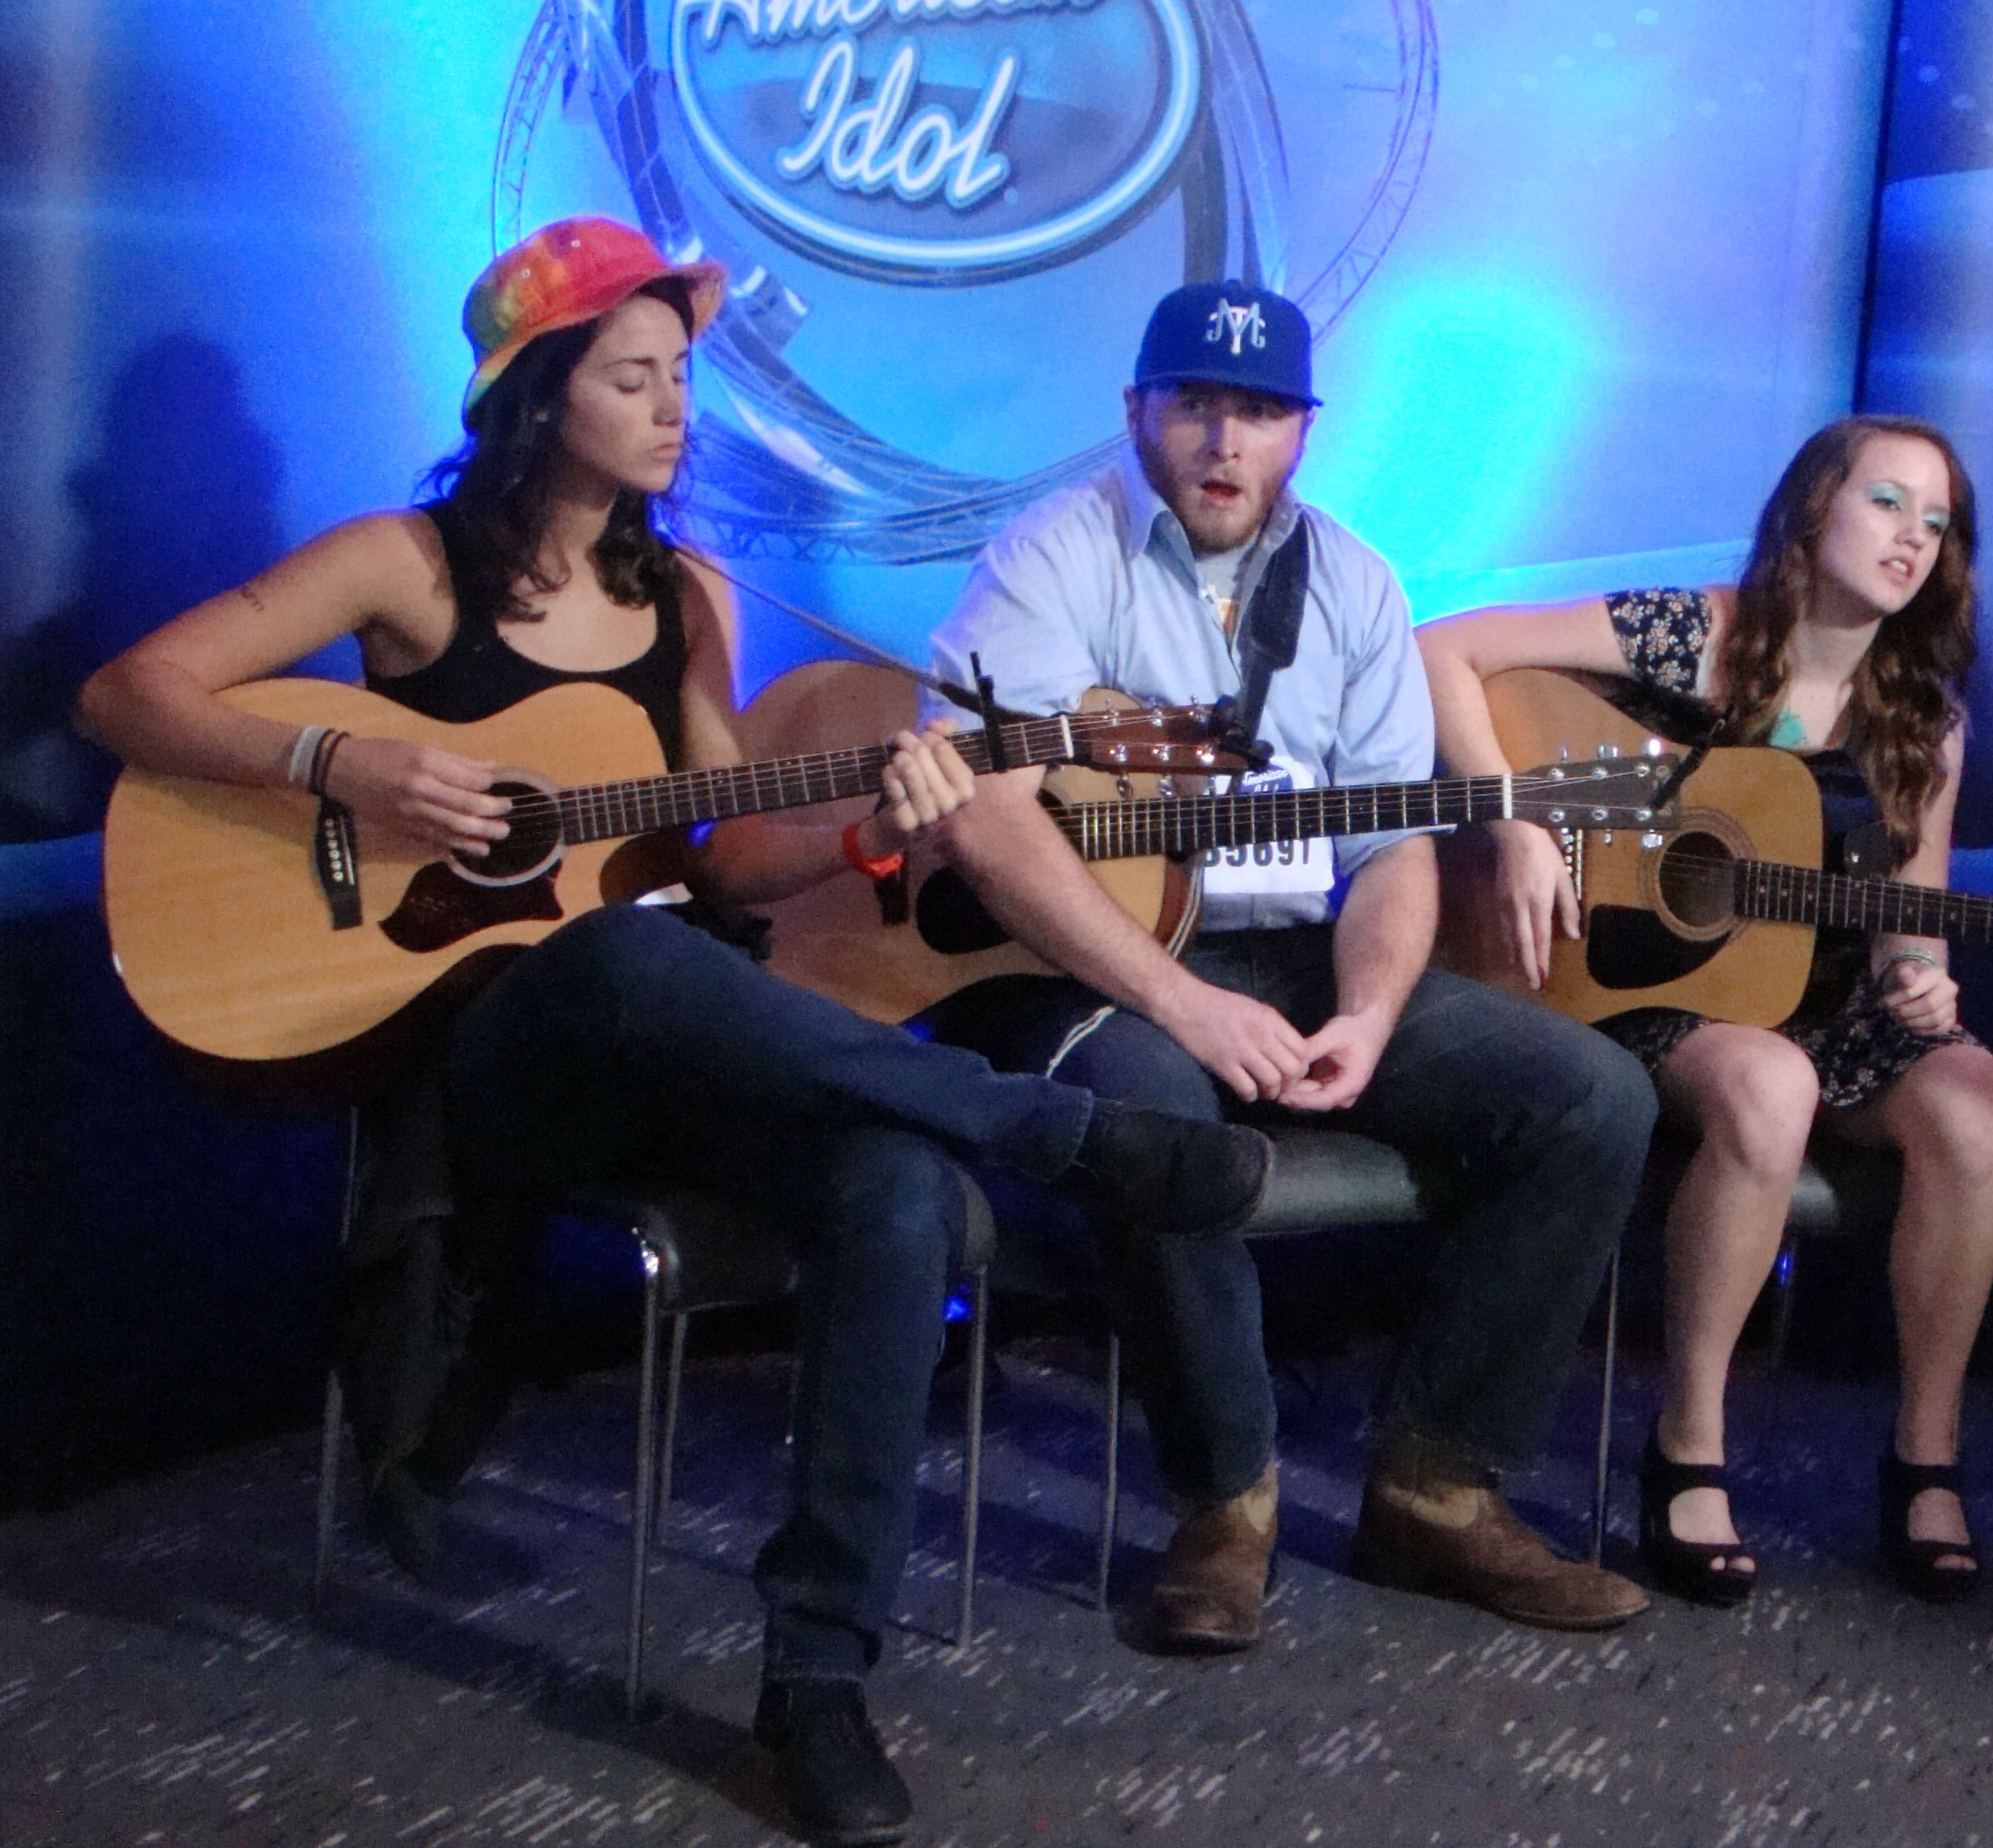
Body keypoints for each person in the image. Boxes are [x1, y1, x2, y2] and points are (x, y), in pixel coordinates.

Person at [77, 218, 1273, 1847]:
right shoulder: (405, 567)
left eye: (681, 380)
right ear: (538, 396)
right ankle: (1041, 1130)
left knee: (889, 1188)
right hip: (500, 1056)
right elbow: (127, 695)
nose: (672, 412)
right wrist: (340, 770)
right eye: (633, 378)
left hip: (691, 1043)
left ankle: (815, 1677)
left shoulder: (689, 594)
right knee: (612, 965)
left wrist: (881, 820)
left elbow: (725, 851)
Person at [915, 280, 1659, 1653]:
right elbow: (981, 814)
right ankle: (1228, 1505)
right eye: (1196, 402)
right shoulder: (1050, 555)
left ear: (1302, 433)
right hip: (1100, 964)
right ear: (1138, 409)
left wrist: (1372, 1014)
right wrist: (1178, 999)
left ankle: (1436, 1490)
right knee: (1154, 1116)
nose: (1224, 441)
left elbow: (1390, 848)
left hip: (1310, 952)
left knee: (1593, 1096)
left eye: (1258, 413)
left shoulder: (1362, 584)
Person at [1420, 415, 1993, 1606]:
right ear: (1814, 509)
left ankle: (1925, 1456)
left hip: (1836, 997)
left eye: (1936, 523)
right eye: (1888, 504)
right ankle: (1690, 1440)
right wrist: (1516, 819)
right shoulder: (1697, 629)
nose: (1912, 540)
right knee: (1769, 1082)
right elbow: (1446, 647)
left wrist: (1920, 973)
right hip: (1672, 988)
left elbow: (1914, 910)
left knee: (1975, 1101)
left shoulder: (1926, 722)